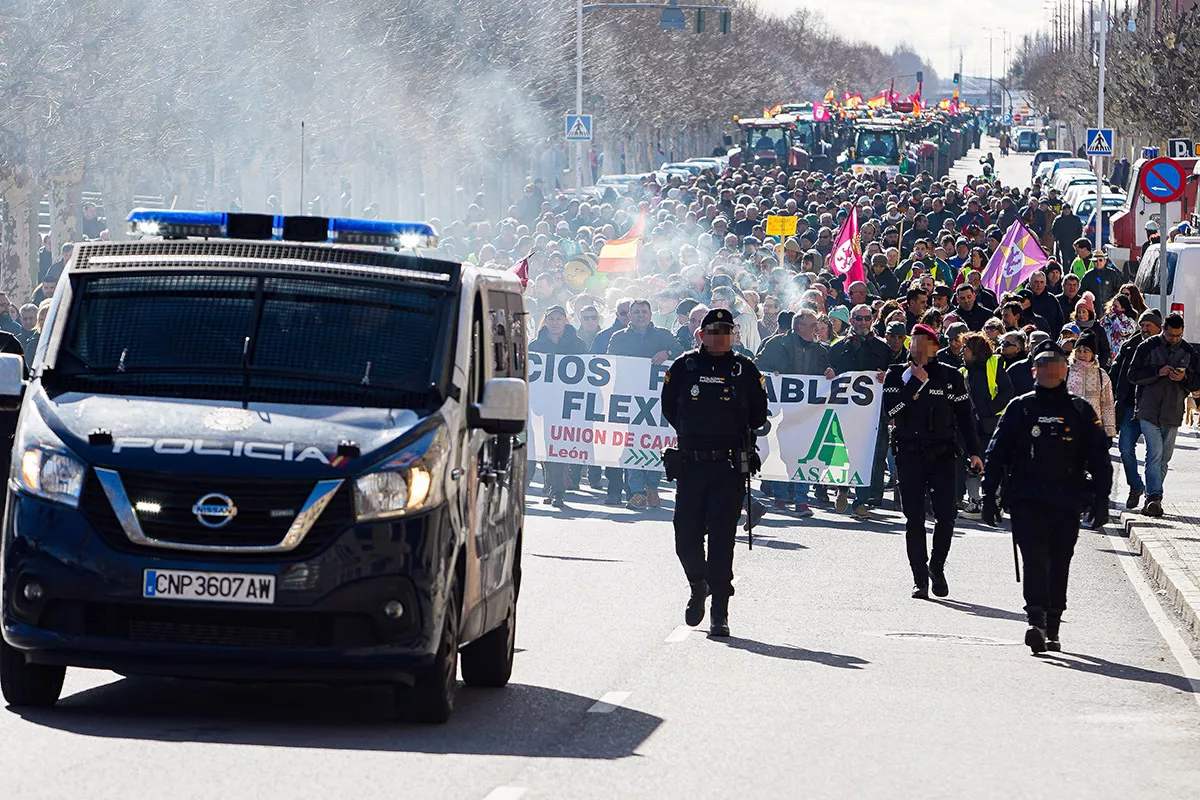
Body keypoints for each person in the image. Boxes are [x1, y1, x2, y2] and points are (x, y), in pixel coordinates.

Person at [981, 340, 1113, 654]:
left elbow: (1099, 458)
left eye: (1056, 367)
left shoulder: (1080, 410)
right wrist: (989, 495)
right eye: (1043, 367)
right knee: (1035, 559)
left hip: (1067, 499)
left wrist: (1101, 498)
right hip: (1028, 499)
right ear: (1034, 372)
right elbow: (997, 452)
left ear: (1065, 371)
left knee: (1059, 562)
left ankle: (1053, 624)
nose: (1050, 373)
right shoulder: (1021, 408)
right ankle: (1036, 620)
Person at [661, 308, 769, 638]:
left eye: (726, 331)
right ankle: (698, 584)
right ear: (701, 335)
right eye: (712, 331)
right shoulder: (684, 367)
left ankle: (719, 611)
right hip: (693, 465)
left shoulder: (745, 369)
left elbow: (758, 415)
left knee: (722, 541)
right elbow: (668, 407)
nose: (719, 337)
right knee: (685, 538)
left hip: (728, 467)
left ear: (734, 335)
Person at [884, 324, 982, 600]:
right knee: (914, 518)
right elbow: (890, 410)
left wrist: (974, 452)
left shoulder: (951, 376)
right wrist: (914, 383)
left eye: (921, 343)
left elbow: (965, 417)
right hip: (909, 453)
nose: (915, 348)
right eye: (912, 343)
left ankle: (936, 567)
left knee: (946, 516)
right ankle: (919, 579)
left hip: (942, 454)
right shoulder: (896, 374)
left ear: (934, 347)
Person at [756, 308, 834, 517]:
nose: (818, 329)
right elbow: (757, 367)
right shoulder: (776, 344)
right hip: (781, 411)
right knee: (781, 452)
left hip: (808, 412)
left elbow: (828, 371)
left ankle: (802, 500)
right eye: (813, 326)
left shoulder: (821, 350)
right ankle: (781, 496)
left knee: (806, 454)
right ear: (800, 327)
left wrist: (830, 373)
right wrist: (771, 376)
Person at [608, 299, 681, 510]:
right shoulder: (619, 338)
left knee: (655, 444)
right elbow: (610, 363)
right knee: (633, 443)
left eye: (644, 311)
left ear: (651, 314)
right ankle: (636, 491)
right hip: (630, 401)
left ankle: (652, 487)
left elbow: (682, 352)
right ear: (629, 315)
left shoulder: (663, 336)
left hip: (657, 401)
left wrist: (667, 353)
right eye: (636, 312)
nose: (641, 315)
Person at [1126, 312, 1200, 517]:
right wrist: (1158, 372)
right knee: (1154, 453)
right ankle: (1154, 497)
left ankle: (1153, 496)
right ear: (1163, 330)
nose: (1174, 339)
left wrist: (1184, 378)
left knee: (1164, 459)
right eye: (1170, 335)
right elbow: (1132, 375)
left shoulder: (1189, 351)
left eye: (1178, 335)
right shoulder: (1147, 347)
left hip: (1173, 411)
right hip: (1148, 410)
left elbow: (1197, 383)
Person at [830, 304, 892, 518]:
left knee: (868, 456)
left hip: (871, 414)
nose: (863, 322)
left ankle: (860, 501)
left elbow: (892, 376)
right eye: (858, 318)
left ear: (873, 320)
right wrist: (829, 374)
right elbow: (830, 374)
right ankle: (843, 488)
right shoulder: (837, 347)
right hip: (845, 411)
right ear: (851, 320)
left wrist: (887, 377)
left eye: (867, 318)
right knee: (844, 452)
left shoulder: (883, 348)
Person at [527, 306, 589, 507]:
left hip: (567, 404)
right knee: (545, 446)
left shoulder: (577, 344)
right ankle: (550, 486)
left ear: (566, 320)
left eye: (559, 318)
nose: (555, 322)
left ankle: (558, 491)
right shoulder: (535, 345)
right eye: (551, 318)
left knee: (560, 446)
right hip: (542, 403)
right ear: (546, 321)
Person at [1111, 309, 1162, 510]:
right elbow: (1115, 373)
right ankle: (1136, 486)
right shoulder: (1129, 345)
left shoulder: (1163, 348)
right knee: (1124, 447)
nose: (1144, 329)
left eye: (1149, 325)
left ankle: (1153, 497)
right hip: (1130, 406)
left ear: (1159, 327)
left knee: (1155, 456)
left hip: (1153, 408)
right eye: (1142, 325)